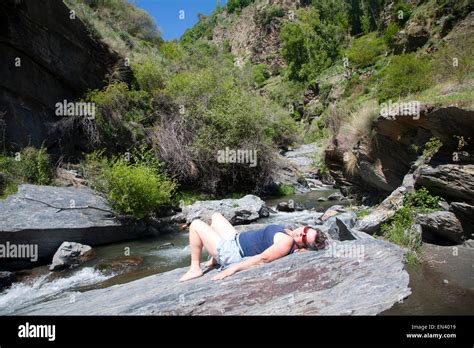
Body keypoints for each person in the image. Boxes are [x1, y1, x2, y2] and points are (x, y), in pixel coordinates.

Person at [179, 212, 328, 282]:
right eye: (306, 230)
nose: (300, 234)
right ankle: (214, 258)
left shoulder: (286, 242)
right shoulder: (288, 232)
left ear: (304, 247)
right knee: (216, 216)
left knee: (196, 224)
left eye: (303, 238)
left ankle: (195, 268)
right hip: (235, 239)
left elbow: (262, 259)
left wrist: (232, 269)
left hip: (232, 252)